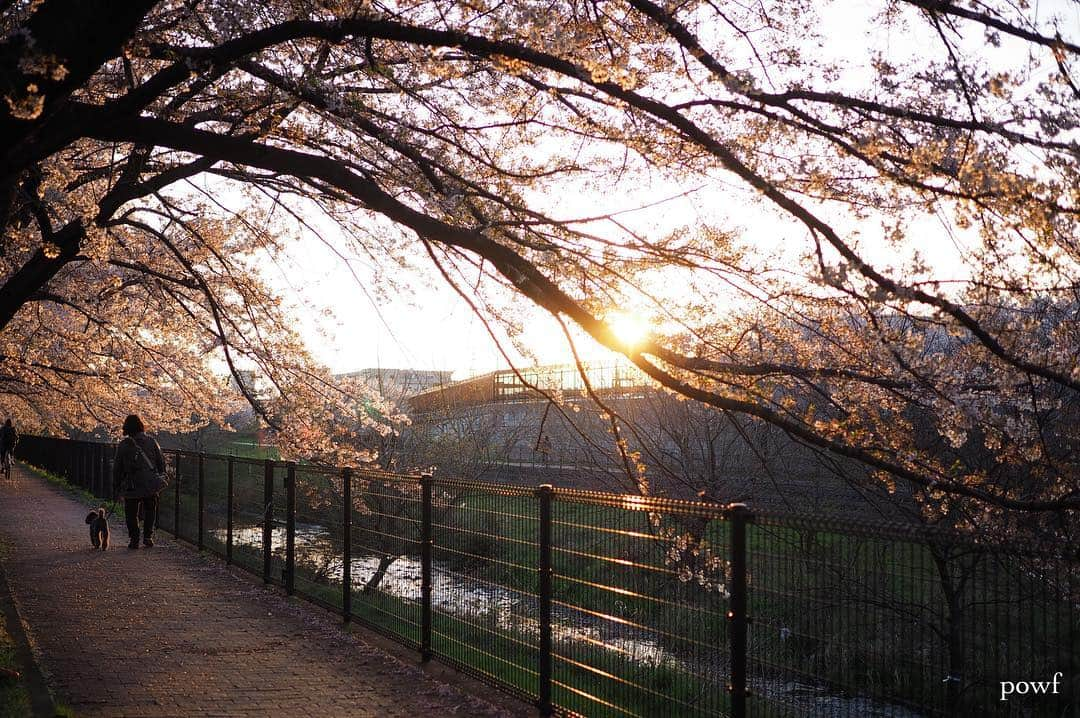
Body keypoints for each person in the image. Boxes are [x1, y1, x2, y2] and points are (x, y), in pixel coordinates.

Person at [112, 414, 166, 549]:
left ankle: (134, 539)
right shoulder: (151, 441)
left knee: (131, 513)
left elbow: (117, 467)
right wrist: (160, 475)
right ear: (141, 426)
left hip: (131, 484)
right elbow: (161, 462)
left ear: (126, 428)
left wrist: (116, 484)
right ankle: (148, 536)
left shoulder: (124, 445)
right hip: (150, 483)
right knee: (150, 509)